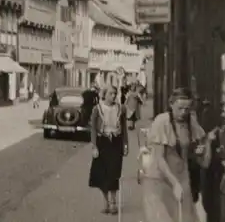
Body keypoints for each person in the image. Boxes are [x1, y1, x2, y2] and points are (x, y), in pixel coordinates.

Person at [141, 87, 216, 222]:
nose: (183, 112)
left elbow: (202, 159)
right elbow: (159, 159)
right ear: (171, 104)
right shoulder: (161, 121)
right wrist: (174, 183)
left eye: (187, 109)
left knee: (187, 218)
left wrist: (208, 143)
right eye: (180, 108)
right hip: (160, 179)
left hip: (182, 177)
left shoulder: (191, 122)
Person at [88, 84, 129, 215]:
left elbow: (124, 128)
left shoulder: (121, 109)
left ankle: (113, 203)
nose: (113, 96)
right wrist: (94, 146)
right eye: (110, 93)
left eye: (115, 94)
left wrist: (126, 144)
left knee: (114, 173)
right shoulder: (97, 109)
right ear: (104, 94)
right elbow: (93, 129)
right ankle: (106, 202)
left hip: (115, 142)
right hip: (102, 142)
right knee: (101, 174)